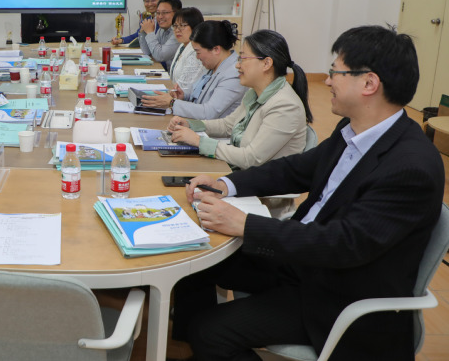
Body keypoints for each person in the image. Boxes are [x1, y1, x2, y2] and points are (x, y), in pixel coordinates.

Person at [170, 25, 444, 361]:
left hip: (338, 294)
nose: (326, 81)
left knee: (210, 331)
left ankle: (200, 343)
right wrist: (227, 184)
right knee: (194, 264)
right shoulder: (353, 129)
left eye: (335, 72)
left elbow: (342, 243)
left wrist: (245, 225)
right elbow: (294, 170)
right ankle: (183, 348)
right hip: (302, 262)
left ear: (369, 83)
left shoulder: (410, 167)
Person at [166, 29, 312, 170]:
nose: (237, 65)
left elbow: (251, 158)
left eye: (243, 58)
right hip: (242, 171)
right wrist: (191, 125)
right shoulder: (254, 93)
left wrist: (199, 141)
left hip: (261, 182)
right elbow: (228, 125)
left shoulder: (285, 106)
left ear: (266, 63)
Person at [142, 20, 245, 120]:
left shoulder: (234, 74)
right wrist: (184, 96)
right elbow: (201, 95)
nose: (197, 57)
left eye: (198, 52)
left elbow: (208, 112)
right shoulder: (214, 64)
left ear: (216, 49)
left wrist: (172, 103)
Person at [167, 7, 206, 93]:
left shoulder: (195, 51)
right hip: (175, 93)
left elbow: (185, 87)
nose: (177, 30)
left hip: (184, 97)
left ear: (195, 27)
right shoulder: (183, 45)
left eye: (182, 26)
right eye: (175, 26)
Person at [138, 0, 182, 69]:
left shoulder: (178, 33)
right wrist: (143, 32)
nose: (160, 17)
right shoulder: (162, 29)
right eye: (158, 13)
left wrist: (150, 33)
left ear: (177, 14)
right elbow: (148, 52)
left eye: (164, 13)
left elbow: (160, 56)